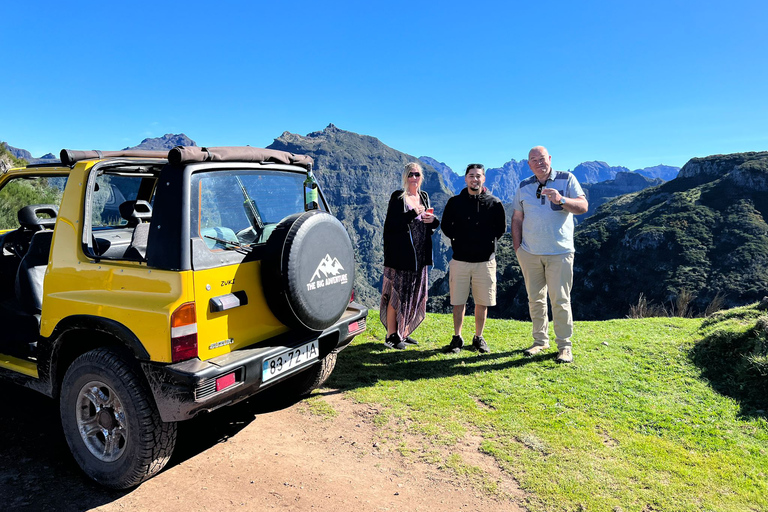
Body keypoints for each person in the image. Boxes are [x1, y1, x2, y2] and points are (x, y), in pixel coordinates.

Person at [511, 146, 588, 363]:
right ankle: (540, 341)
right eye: (533, 160)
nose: (538, 163)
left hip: (559, 253)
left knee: (561, 300)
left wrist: (561, 200)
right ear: (529, 164)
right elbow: (517, 218)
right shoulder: (523, 186)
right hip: (530, 253)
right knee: (535, 300)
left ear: (550, 159)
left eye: (542, 158)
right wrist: (518, 249)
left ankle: (564, 346)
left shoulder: (567, 179)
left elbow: (583, 206)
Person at [441, 163, 506, 354]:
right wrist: (458, 239)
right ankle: (457, 337)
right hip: (460, 259)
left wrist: (486, 242)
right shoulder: (455, 202)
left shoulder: (494, 203)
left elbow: (500, 229)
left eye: (478, 176)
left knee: (482, 301)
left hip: (485, 261)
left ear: (483, 179)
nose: (474, 179)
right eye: (471, 175)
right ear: (465, 178)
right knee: (458, 300)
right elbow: (446, 225)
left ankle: (478, 337)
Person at [381, 162, 440, 349]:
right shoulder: (398, 197)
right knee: (397, 294)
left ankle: (403, 332)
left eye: (417, 174)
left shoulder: (424, 196)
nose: (414, 178)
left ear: (421, 177)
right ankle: (391, 335)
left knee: (413, 294)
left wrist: (433, 221)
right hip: (402, 255)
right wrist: (413, 213)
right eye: (410, 174)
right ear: (405, 177)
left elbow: (429, 226)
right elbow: (391, 225)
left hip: (420, 255)